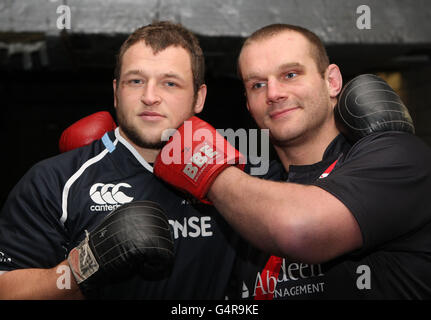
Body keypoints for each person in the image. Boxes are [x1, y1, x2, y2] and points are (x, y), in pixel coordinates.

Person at [153, 24, 431, 299]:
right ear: (249, 103)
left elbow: (299, 229)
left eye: (290, 74)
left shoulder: (398, 158)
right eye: (257, 84)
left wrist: (207, 167)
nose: (273, 93)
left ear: (331, 81)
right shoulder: (249, 193)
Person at [0, 21, 238, 299]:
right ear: (116, 92)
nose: (150, 97)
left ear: (199, 97)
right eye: (136, 81)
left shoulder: (237, 177)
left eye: (170, 83)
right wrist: (87, 263)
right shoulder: (56, 181)